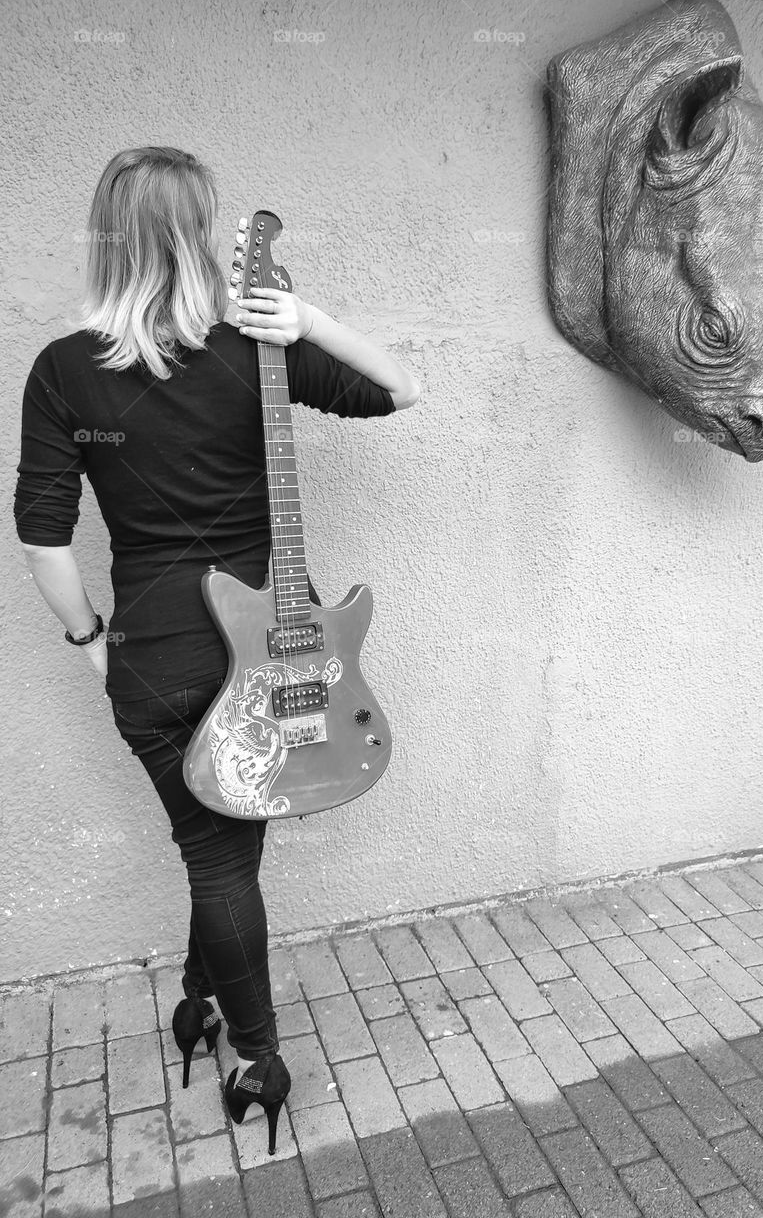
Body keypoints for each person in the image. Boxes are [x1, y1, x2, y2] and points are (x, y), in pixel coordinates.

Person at [13, 146, 420, 1154]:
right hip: (279, 646)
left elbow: (43, 537)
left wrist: (89, 640)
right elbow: (404, 388)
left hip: (155, 650)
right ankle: (258, 1054)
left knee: (217, 848)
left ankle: (207, 1007)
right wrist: (312, 321)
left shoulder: (64, 369)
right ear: (201, 235)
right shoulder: (258, 349)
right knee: (225, 852)